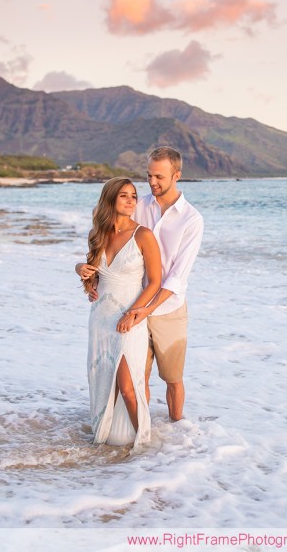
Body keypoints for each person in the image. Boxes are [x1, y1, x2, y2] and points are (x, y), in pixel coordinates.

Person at [77, 147, 203, 422]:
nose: (152, 182)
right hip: (131, 305)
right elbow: (109, 231)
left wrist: (146, 309)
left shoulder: (191, 219)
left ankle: (176, 430)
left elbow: (177, 276)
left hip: (167, 307)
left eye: (159, 176)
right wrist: (94, 276)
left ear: (177, 175)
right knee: (137, 377)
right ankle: (145, 436)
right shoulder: (138, 205)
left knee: (172, 378)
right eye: (149, 175)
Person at [76, 177, 161, 448]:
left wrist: (135, 313)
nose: (131, 200)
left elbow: (155, 282)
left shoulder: (143, 235)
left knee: (127, 386)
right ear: (110, 198)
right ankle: (101, 440)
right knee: (104, 381)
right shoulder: (99, 235)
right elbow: (94, 278)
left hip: (129, 318)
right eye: (124, 195)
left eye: (134, 196)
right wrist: (81, 269)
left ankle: (145, 447)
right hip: (101, 319)